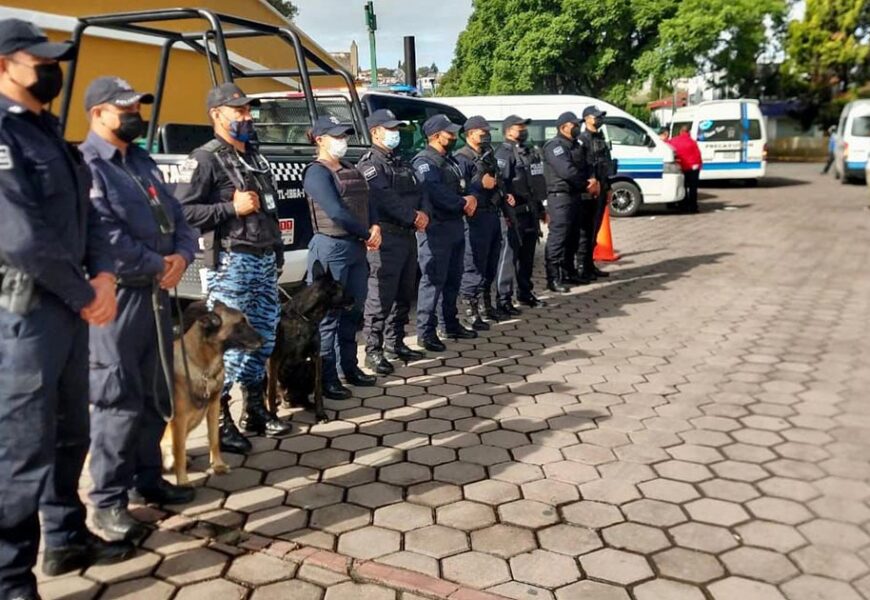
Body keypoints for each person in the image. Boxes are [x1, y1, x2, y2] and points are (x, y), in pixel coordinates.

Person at [0, 19, 134, 598]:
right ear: (6, 65)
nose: (51, 69)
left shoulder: (47, 130)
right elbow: (20, 236)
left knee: (67, 435)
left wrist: (103, 275)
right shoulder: (4, 135)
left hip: (72, 308)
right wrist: (88, 295)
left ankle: (65, 537)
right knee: (20, 451)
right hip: (23, 317)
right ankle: (10, 580)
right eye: (40, 60)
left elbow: (89, 220)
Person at [80, 76, 199, 541]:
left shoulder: (141, 160)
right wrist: (157, 263)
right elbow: (103, 233)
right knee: (117, 399)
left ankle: (147, 479)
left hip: (157, 293)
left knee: (156, 392)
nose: (136, 114)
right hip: (120, 298)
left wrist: (183, 257)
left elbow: (179, 217)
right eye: (125, 107)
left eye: (138, 106)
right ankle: (108, 501)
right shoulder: (90, 165)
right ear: (98, 114)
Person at [175, 82, 291, 448]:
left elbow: (269, 208)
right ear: (216, 114)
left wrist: (277, 252)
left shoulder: (254, 155)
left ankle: (254, 409)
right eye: (238, 110)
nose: (245, 116)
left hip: (263, 258)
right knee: (227, 343)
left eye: (247, 110)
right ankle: (219, 420)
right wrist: (230, 208)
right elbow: (184, 210)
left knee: (262, 339)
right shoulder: (205, 157)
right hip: (231, 262)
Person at [303, 115, 381, 399]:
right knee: (328, 317)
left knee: (353, 311)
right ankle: (327, 376)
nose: (343, 141)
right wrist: (366, 233)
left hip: (356, 246)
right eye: (337, 136)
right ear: (320, 140)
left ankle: (351, 367)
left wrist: (374, 227)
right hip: (331, 247)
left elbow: (367, 200)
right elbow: (335, 212)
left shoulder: (349, 167)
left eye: (345, 136)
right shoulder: (316, 172)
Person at [356, 109, 427, 376]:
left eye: (397, 129)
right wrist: (413, 216)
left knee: (404, 292)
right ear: (375, 132)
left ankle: (396, 343)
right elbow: (386, 197)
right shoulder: (370, 164)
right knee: (380, 296)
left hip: (407, 235)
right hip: (386, 237)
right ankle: (373, 350)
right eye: (390, 129)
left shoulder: (401, 161)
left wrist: (419, 214)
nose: (395, 134)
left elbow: (417, 190)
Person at [413, 114, 478, 351]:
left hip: (454, 226)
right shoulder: (424, 161)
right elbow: (435, 191)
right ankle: (425, 332)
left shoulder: (449, 160)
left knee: (453, 279)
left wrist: (469, 197)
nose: (453, 136)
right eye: (449, 133)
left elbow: (465, 184)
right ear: (435, 135)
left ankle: (449, 323)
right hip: (436, 229)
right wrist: (463, 203)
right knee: (433, 281)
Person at [455, 116, 504, 328]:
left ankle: (486, 305)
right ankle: (470, 311)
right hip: (474, 218)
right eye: (482, 132)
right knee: (473, 264)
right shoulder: (462, 158)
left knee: (490, 263)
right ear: (470, 133)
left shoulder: (488, 154)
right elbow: (459, 190)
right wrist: (480, 184)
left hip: (492, 214)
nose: (486, 135)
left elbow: (497, 179)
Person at [495, 114, 547, 309]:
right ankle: (504, 299)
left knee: (527, 257)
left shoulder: (529, 151)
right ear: (509, 130)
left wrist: (541, 209)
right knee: (509, 257)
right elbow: (501, 185)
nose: (523, 131)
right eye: (519, 127)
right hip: (513, 214)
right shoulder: (504, 153)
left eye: (524, 127)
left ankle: (525, 293)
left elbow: (536, 183)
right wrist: (506, 212)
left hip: (530, 211)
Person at [543, 111, 598, 293]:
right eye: (574, 125)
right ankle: (553, 277)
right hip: (560, 197)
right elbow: (566, 170)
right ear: (563, 127)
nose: (577, 128)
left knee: (573, 236)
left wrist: (592, 179)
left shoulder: (576, 145)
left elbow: (587, 165)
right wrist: (585, 184)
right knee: (558, 238)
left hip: (575, 196)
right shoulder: (555, 146)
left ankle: (568, 272)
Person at [578, 105, 614, 281]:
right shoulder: (582, 139)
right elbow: (583, 166)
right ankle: (582, 268)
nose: (599, 119)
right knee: (586, 231)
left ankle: (589, 265)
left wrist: (608, 187)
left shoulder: (599, 137)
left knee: (595, 229)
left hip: (602, 187)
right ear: (586, 119)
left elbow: (606, 165)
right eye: (596, 117)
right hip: (589, 191)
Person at [667, 124, 703, 213]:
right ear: (688, 132)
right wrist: (699, 165)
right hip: (693, 168)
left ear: (680, 132)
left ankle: (683, 205)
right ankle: (693, 207)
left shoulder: (673, 141)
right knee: (693, 189)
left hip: (681, 167)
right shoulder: (692, 142)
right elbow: (698, 155)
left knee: (682, 186)